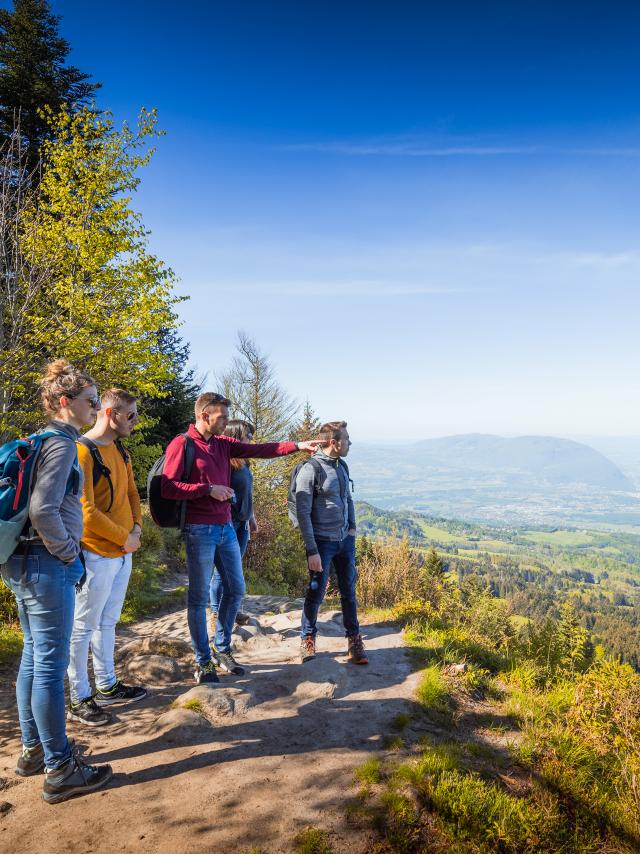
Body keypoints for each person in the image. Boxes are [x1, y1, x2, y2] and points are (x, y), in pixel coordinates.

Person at [0, 360, 112, 803]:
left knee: (33, 656)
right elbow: (45, 509)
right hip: (47, 563)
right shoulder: (63, 444)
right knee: (48, 664)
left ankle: (33, 752)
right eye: (91, 401)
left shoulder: (41, 440)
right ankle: (60, 768)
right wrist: (71, 556)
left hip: (21, 562)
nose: (97, 408)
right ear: (65, 402)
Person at [161, 392, 319, 684]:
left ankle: (222, 649)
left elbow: (262, 449)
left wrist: (297, 445)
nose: (225, 422)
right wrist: (207, 490)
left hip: (226, 529)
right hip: (199, 530)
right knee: (198, 599)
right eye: (221, 416)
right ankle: (203, 662)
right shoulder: (182, 445)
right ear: (204, 415)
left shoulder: (223, 444)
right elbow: (168, 487)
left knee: (235, 589)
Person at [67, 388, 146, 727]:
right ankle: (79, 696)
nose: (136, 421)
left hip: (123, 552)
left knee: (108, 622)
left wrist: (138, 529)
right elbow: (85, 511)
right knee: (82, 627)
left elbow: (131, 493)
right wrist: (124, 537)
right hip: (95, 553)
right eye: (130, 415)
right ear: (111, 413)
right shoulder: (82, 450)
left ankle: (107, 684)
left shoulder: (121, 450)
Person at [296, 421, 368, 665]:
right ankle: (307, 639)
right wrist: (311, 550)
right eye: (346, 438)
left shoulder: (341, 465)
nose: (349, 443)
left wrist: (352, 529)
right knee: (316, 592)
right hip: (322, 543)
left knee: (349, 591)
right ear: (334, 442)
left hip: (344, 540)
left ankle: (354, 640)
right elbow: (303, 513)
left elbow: (347, 498)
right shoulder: (310, 469)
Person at [209, 419, 258, 632]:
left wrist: (252, 516)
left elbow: (248, 491)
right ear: (236, 436)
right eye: (247, 435)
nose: (250, 440)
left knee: (235, 567)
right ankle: (214, 612)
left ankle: (231, 609)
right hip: (228, 521)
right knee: (222, 571)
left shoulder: (244, 462)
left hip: (243, 522)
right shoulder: (224, 463)